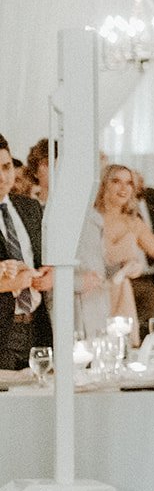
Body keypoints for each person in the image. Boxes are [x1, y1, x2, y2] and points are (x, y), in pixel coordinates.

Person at [93, 164, 154, 342]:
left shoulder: (133, 222)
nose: (124, 188)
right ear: (103, 184)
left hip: (120, 294)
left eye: (129, 183)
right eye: (116, 181)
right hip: (91, 292)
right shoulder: (90, 219)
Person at [0, 136, 51, 370]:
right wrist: (12, 282)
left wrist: (50, 275)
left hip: (36, 325)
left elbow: (43, 260)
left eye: (6, 167)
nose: (2, 177)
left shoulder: (29, 208)